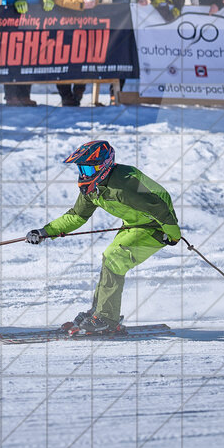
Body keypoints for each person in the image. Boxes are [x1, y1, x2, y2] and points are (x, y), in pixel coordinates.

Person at [26, 141, 181, 335]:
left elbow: (159, 209)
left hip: (157, 226)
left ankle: (107, 318)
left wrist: (173, 236)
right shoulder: (92, 188)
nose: (85, 174)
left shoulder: (124, 186)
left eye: (90, 169)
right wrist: (45, 231)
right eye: (82, 169)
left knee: (115, 258)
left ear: (105, 165)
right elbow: (76, 216)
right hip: (134, 225)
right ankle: (99, 311)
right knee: (109, 259)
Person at [42, 0, 97, 107]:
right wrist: (80, 4)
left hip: (83, 20)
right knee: (63, 57)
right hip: (63, 20)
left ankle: (79, 90)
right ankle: (66, 94)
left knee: (83, 55)